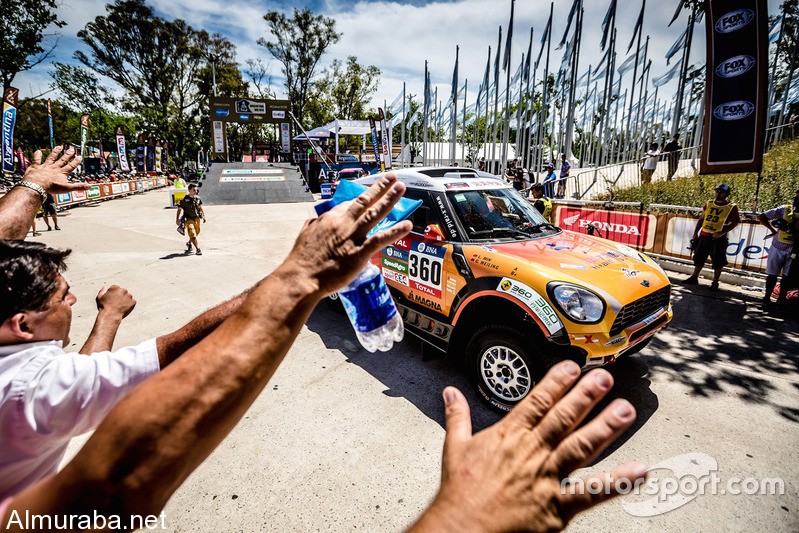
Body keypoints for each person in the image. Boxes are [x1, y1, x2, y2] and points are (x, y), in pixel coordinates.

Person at [0, 175, 644, 531]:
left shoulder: (33, 373)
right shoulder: (28, 393)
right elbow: (114, 487)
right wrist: (463, 523)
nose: (76, 296)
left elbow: (81, 364)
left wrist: (30, 187)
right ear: (22, 325)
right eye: (62, 296)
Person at [0, 146, 87, 241]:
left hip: (45, 202)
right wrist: (34, 184)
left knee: (52, 215)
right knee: (45, 216)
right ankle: (45, 228)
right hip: (40, 202)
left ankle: (55, 225)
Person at [684, 184, 741, 291]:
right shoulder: (709, 203)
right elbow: (702, 218)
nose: (718, 193)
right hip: (704, 235)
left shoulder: (731, 207)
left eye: (721, 192)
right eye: (717, 191)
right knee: (699, 257)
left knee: (718, 261)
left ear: (726, 194)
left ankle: (715, 282)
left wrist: (722, 233)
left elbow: (736, 222)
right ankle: (694, 277)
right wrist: (696, 232)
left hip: (718, 239)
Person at [757, 188, 799, 307]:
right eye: (796, 196)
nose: (797, 199)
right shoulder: (785, 209)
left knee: (787, 276)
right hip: (777, 246)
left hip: (794, 249)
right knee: (772, 274)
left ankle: (781, 300)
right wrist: (772, 230)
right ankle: (766, 298)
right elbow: (762, 216)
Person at [176, 183, 206, 255]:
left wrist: (204, 216)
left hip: (197, 219)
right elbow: (179, 209)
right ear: (189, 190)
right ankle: (198, 249)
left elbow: (199, 207)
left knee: (196, 233)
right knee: (192, 234)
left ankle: (189, 243)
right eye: (194, 190)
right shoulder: (184, 200)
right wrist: (177, 219)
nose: (196, 191)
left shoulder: (198, 198)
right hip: (189, 219)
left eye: (196, 190)